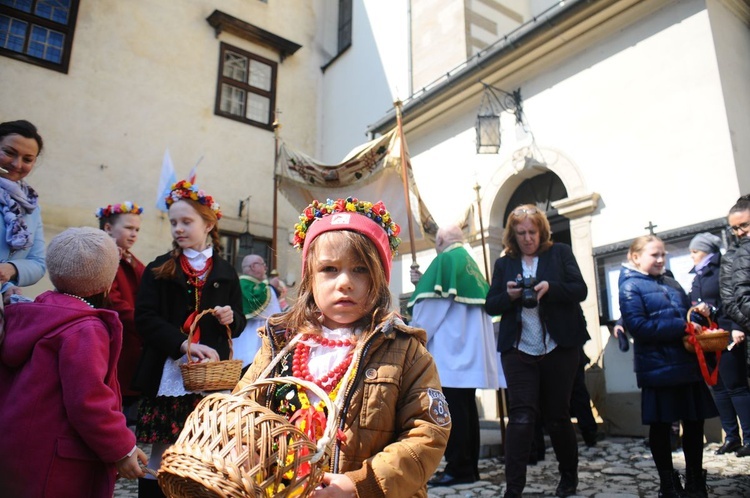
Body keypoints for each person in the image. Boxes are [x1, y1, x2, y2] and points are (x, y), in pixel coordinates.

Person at [233, 197, 450, 497]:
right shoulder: (281, 345)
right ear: (310, 278)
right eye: (330, 269)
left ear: (380, 278)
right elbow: (241, 412)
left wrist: (358, 484)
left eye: (360, 269)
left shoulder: (406, 352)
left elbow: (427, 434)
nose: (345, 282)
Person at [0, 227, 147, 497]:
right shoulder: (83, 329)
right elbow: (89, 402)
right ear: (105, 281)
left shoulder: (34, 313)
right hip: (57, 464)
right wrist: (122, 449)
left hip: (19, 451)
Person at [132, 180, 246, 497]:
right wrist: (183, 344)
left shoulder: (225, 271)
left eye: (187, 222)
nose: (178, 229)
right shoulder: (159, 267)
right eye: (173, 223)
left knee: (207, 450)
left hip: (210, 375)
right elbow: (145, 318)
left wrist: (230, 317)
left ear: (208, 224)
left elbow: (238, 323)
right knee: (162, 453)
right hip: (169, 372)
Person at [485, 204, 588, 498]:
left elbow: (580, 290)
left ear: (542, 231)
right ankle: (513, 488)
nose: (527, 238)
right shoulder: (505, 263)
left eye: (532, 232)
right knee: (521, 416)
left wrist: (550, 287)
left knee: (557, 416)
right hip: (518, 348)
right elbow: (490, 304)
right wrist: (509, 295)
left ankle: (568, 477)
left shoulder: (560, 254)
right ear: (512, 235)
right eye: (521, 233)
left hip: (558, 346)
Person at [618, 235, 718, 498]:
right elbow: (638, 327)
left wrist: (699, 314)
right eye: (654, 255)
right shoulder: (630, 287)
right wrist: (681, 326)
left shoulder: (672, 283)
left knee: (694, 423)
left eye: (663, 254)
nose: (661, 259)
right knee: (661, 427)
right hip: (658, 367)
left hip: (685, 363)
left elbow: (684, 314)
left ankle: (695, 479)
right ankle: (668, 483)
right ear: (636, 257)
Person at [407, 224, 500, 486]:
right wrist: (421, 282)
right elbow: (442, 293)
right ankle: (469, 468)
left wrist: (416, 337)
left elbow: (431, 309)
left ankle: (458, 469)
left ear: (439, 241)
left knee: (453, 415)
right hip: (467, 354)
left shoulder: (445, 260)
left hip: (450, 355)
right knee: (467, 411)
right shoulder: (469, 263)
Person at [689, 232, 750, 458]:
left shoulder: (722, 268)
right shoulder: (697, 275)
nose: (692, 256)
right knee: (719, 388)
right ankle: (732, 437)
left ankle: (749, 436)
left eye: (695, 252)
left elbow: (732, 299)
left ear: (706, 251)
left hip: (727, 333)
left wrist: (737, 326)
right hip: (708, 337)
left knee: (736, 386)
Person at [97, 201, 146, 423]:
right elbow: (113, 302)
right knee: (117, 403)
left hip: (135, 341)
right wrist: (147, 324)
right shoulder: (103, 258)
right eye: (128, 228)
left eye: (137, 230)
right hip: (118, 340)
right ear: (108, 228)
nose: (134, 234)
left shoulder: (133, 260)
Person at [0, 120, 46, 303]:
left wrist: (11, 271)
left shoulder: (30, 206)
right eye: (9, 153)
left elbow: (38, 262)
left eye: (27, 159)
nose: (17, 165)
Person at [726, 196, 750, 454]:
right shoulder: (739, 252)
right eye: (735, 228)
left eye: (744, 225)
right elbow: (736, 296)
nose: (740, 232)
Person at [233, 253, 282, 368]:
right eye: (263, 265)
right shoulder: (255, 287)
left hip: (244, 341)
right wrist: (273, 288)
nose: (266, 268)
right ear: (254, 266)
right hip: (254, 340)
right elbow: (272, 315)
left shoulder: (241, 285)